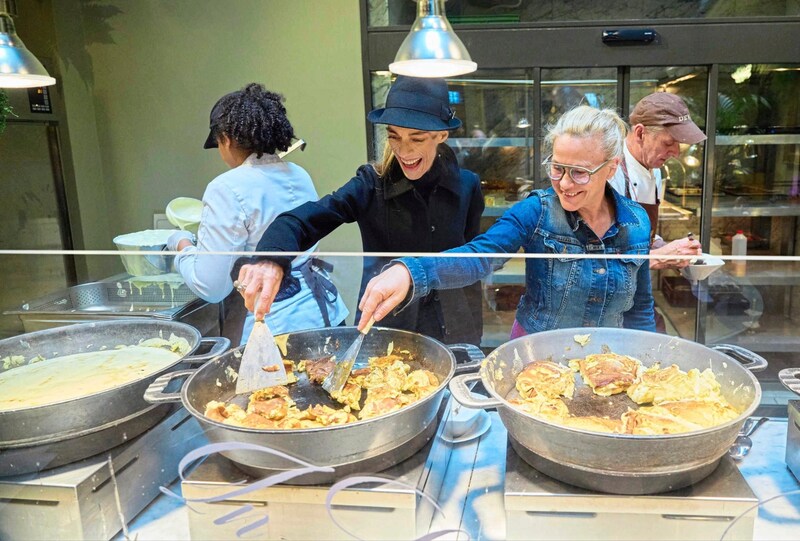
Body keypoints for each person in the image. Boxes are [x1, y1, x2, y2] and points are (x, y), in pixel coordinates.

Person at [356, 105, 656, 338]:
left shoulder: (636, 222)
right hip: (540, 359)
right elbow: (480, 257)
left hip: (608, 361)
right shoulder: (536, 211)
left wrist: (647, 359)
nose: (564, 184)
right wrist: (411, 271)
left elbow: (640, 307)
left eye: (579, 172)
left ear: (611, 166)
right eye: (556, 168)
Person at [235, 75, 484, 345]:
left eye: (417, 138)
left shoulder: (467, 185)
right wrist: (270, 259)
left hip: (455, 324)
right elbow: (303, 221)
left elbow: (472, 258)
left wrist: (471, 322)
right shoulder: (371, 184)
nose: (404, 150)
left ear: (442, 135)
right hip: (388, 323)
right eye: (394, 136)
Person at [167, 83, 348, 344]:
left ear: (226, 139)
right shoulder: (299, 174)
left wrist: (181, 246)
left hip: (277, 328)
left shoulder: (225, 188)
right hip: (326, 314)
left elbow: (212, 287)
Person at [608, 92, 703, 269]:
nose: (676, 152)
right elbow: (600, 256)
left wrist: (667, 247)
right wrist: (661, 257)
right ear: (640, 133)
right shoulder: (610, 173)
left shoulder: (654, 167)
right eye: (668, 143)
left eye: (678, 144)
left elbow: (642, 236)